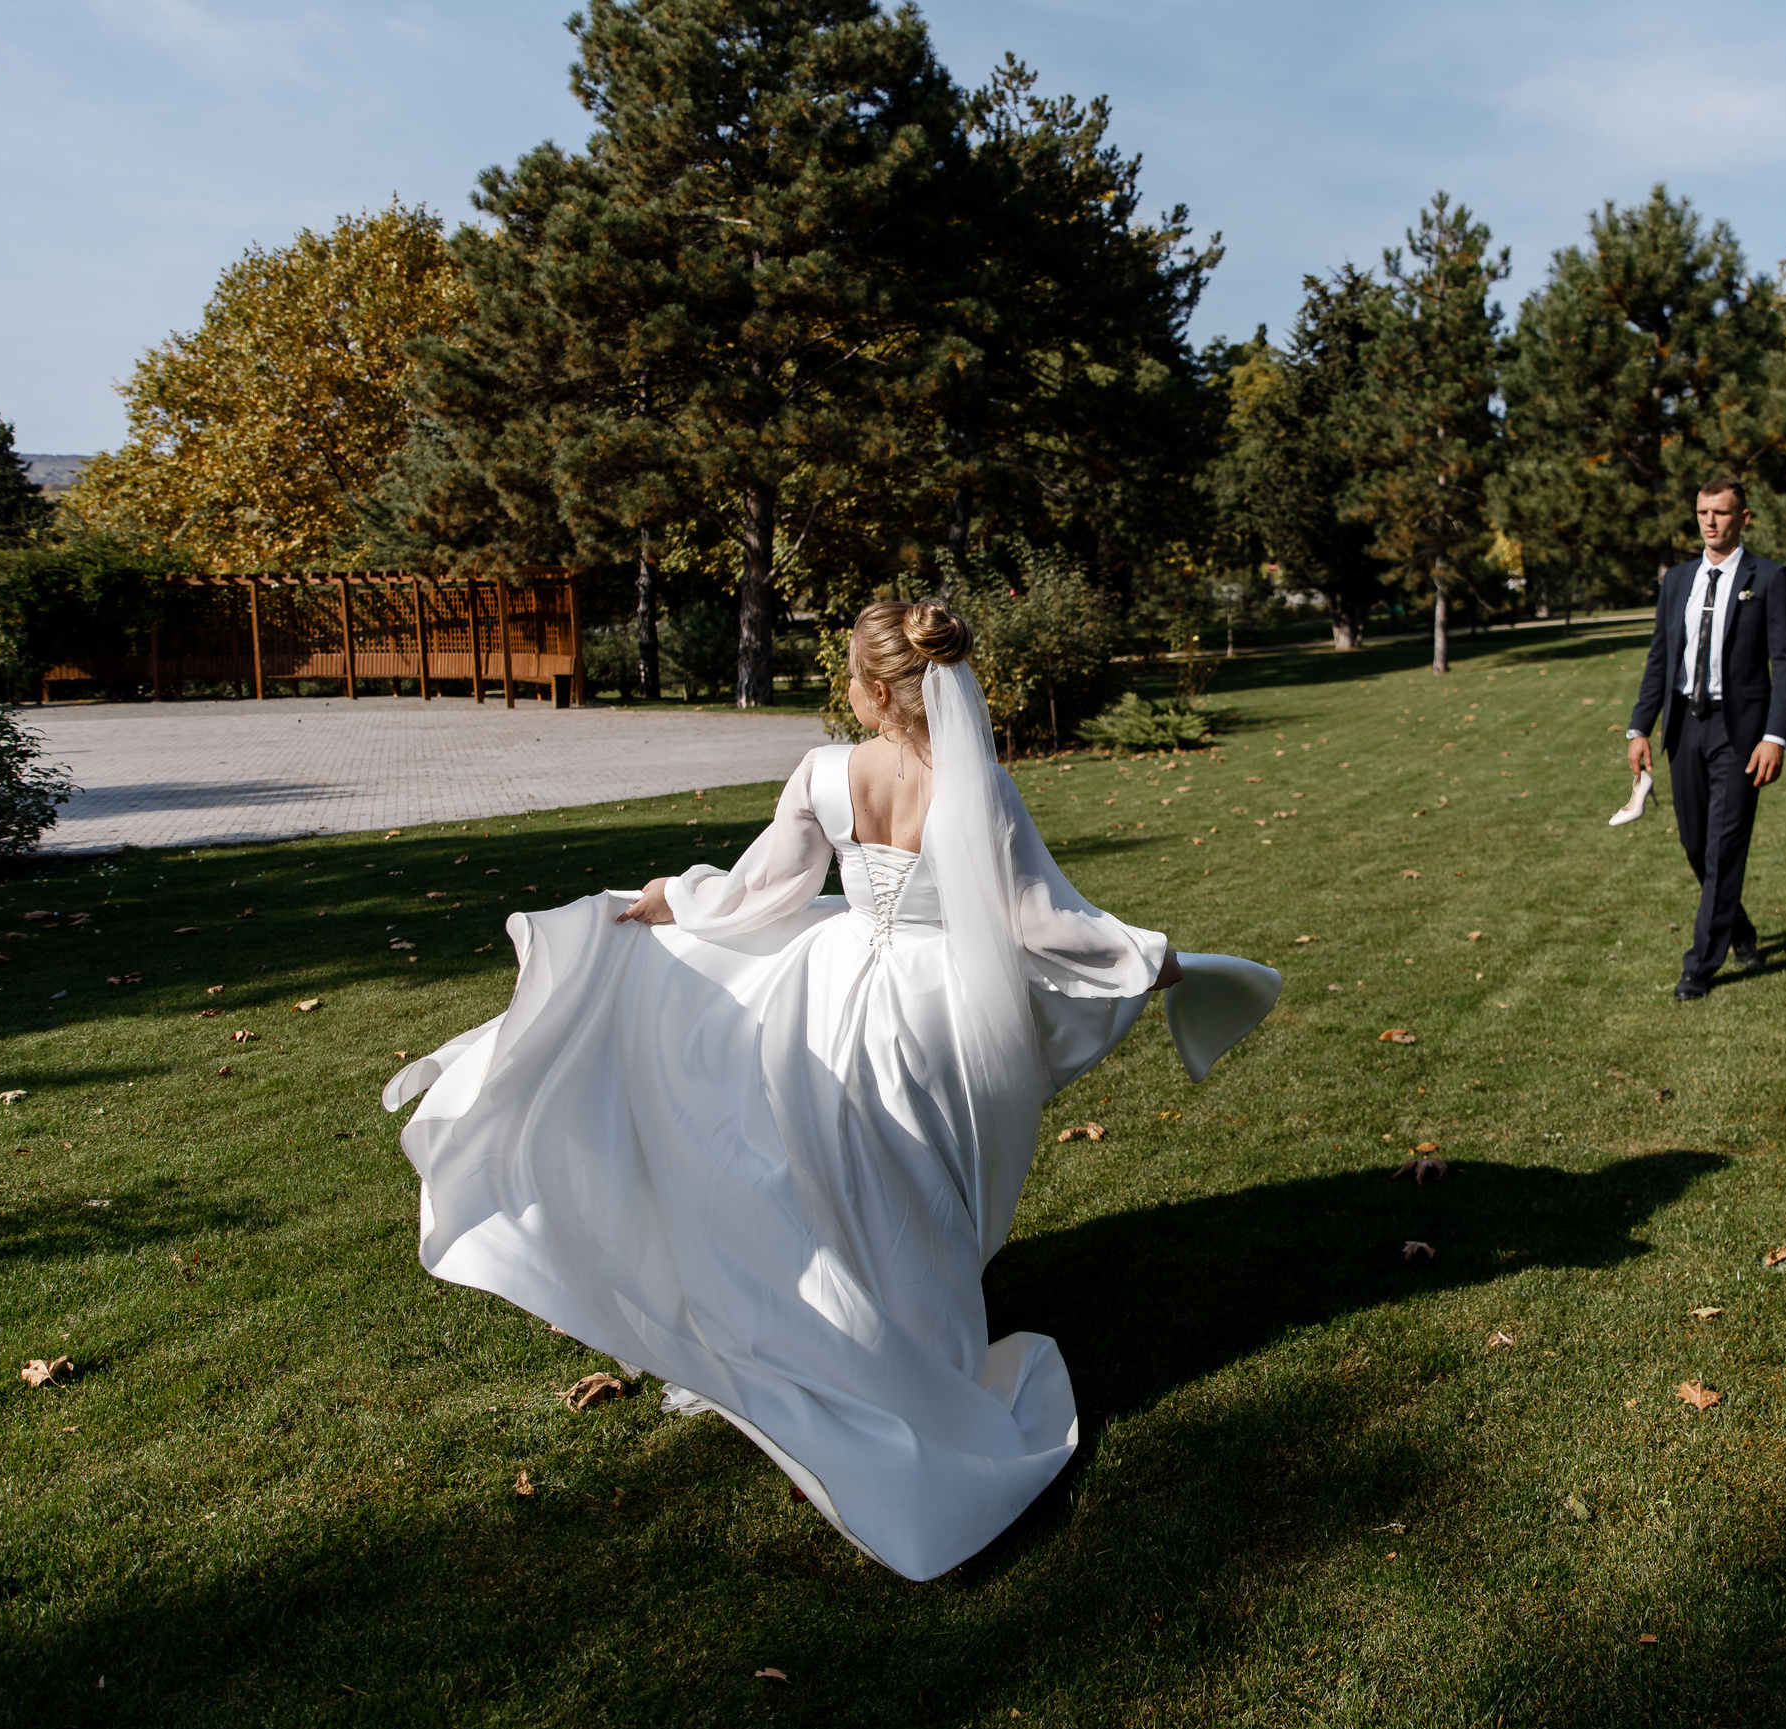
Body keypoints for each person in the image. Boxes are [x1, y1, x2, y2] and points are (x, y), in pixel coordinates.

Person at [383, 601, 1280, 1580]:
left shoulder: (823, 776)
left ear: (880, 690)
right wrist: (1156, 962)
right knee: (919, 1193)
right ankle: (917, 1363)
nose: (842, 690)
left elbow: (761, 893)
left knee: (834, 1180)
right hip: (941, 1013)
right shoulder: (979, 787)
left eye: (849, 676)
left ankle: (845, 1344)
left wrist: (670, 899)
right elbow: (1042, 922)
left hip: (832, 999)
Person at [1625, 479, 1786, 1000]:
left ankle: (1699, 964)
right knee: (1696, 843)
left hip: (1740, 732)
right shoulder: (1677, 580)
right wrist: (1640, 727)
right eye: (1702, 512)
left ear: (1743, 518)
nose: (1709, 522)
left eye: (1721, 513)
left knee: (1724, 845)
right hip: (1686, 726)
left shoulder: (1768, 579)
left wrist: (1775, 735)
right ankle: (1738, 928)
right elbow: (1660, 658)